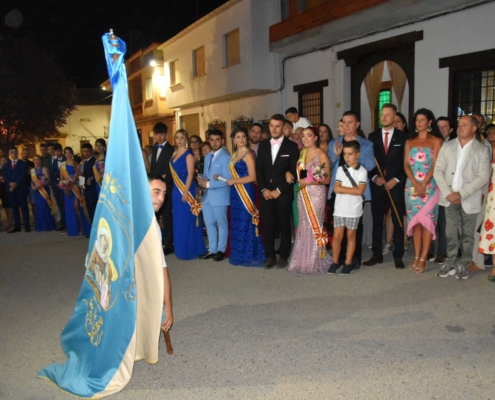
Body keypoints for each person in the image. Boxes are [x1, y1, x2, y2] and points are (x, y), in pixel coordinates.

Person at [434, 115, 490, 280]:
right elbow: (438, 170)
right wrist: (449, 193)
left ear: (474, 128)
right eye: (459, 125)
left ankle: (464, 263)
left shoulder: (482, 149)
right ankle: (450, 262)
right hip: (449, 197)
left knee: (467, 234)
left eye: (464, 125)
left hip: (469, 197)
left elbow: (483, 176)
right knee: (450, 232)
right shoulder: (447, 146)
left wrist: (461, 194)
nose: (460, 127)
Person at [327, 111, 375, 268]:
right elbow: (327, 167)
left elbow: (370, 165)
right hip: (338, 189)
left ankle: (354, 258)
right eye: (344, 122)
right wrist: (335, 156)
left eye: (350, 122)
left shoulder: (366, 144)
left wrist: (356, 152)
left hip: (356, 190)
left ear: (357, 124)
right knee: (337, 226)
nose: (346, 125)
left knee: (355, 226)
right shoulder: (334, 143)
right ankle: (339, 258)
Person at [363, 104, 407, 269]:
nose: (384, 117)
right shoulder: (372, 136)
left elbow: (407, 163)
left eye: (388, 115)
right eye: (382, 114)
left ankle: (398, 255)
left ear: (395, 117)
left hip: (395, 184)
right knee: (376, 220)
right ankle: (376, 254)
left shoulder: (403, 137)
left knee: (397, 220)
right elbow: (369, 161)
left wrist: (396, 178)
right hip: (378, 185)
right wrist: (374, 177)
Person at [256, 114, 299, 269]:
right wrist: (264, 189)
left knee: (284, 225)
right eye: (272, 126)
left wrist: (279, 190)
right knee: (266, 224)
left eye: (278, 126)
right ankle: (270, 255)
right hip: (266, 193)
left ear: (284, 128)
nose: (274, 129)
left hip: (283, 194)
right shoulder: (263, 145)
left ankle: (284, 255)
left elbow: (294, 172)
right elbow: (259, 170)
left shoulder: (292, 147)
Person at [403, 109, 443, 273]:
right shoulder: (410, 141)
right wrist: (415, 182)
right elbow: (406, 165)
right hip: (411, 185)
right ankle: (416, 256)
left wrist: (424, 183)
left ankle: (424, 258)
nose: (419, 123)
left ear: (429, 122)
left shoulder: (436, 141)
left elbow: (435, 165)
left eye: (422, 120)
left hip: (430, 186)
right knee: (416, 223)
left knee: (427, 222)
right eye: (417, 120)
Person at [287, 126, 332, 273]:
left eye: (309, 136)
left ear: (315, 138)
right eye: (303, 136)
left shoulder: (321, 154)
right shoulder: (302, 153)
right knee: (303, 224)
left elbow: (326, 179)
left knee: (315, 225)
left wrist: (310, 182)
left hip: (316, 193)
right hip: (303, 194)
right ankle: (302, 258)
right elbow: (304, 175)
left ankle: (315, 259)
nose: (305, 139)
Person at [226, 127, 265, 266]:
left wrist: (233, 181)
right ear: (233, 139)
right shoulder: (234, 154)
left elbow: (252, 176)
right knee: (236, 221)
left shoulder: (249, 154)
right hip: (235, 192)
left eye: (243, 136)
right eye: (238, 137)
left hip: (246, 191)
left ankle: (248, 253)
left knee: (245, 221)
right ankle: (238, 252)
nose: (241, 139)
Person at [329, 140, 368, 274]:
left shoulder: (362, 171)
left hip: (354, 209)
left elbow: (360, 191)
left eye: (350, 154)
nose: (347, 157)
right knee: (337, 236)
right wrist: (351, 189)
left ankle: (348, 262)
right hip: (339, 208)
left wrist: (342, 189)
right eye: (345, 154)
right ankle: (335, 262)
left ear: (357, 154)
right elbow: (336, 188)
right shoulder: (340, 169)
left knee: (351, 236)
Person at [170, 129, 206, 260]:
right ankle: (180, 248)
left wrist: (185, 192)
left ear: (186, 140)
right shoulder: (174, 154)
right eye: (177, 138)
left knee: (188, 220)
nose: (179, 140)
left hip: (187, 189)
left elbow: (191, 173)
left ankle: (191, 249)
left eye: (182, 138)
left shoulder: (189, 154)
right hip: (176, 190)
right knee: (179, 220)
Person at [197, 129, 232, 262]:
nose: (215, 142)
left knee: (222, 224)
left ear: (222, 141)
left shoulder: (226, 157)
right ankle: (212, 249)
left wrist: (209, 184)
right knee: (209, 223)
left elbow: (227, 179)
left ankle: (221, 250)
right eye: (212, 140)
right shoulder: (207, 156)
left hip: (220, 195)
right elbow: (206, 174)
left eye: (217, 140)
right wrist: (202, 180)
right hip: (207, 196)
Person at [150, 122, 175, 255]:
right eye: (157, 134)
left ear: (166, 134)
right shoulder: (154, 148)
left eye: (162, 134)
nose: (159, 137)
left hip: (167, 187)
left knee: (166, 216)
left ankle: (169, 244)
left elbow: (173, 170)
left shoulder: (171, 150)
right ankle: (160, 240)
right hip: (155, 187)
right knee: (156, 215)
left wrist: (165, 178)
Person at [477, 124, 495, 280]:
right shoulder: (488, 150)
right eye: (488, 132)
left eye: (493, 132)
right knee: (492, 231)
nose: (490, 134)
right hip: (492, 196)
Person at [60, 147, 91, 236]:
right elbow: (61, 178)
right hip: (67, 189)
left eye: (69, 152)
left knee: (77, 208)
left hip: (75, 188)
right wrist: (64, 186)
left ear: (72, 153)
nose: (68, 154)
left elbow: (78, 176)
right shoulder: (62, 165)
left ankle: (83, 227)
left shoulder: (75, 163)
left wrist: (71, 186)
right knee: (70, 209)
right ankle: (74, 228)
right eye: (66, 153)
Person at [3, 147, 30, 233]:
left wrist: (15, 184)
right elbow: (5, 176)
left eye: (15, 152)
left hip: (21, 188)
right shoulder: (7, 165)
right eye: (12, 152)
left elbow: (23, 175)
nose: (13, 153)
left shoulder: (23, 164)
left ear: (18, 153)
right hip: (11, 189)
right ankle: (17, 226)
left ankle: (26, 226)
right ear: (9, 154)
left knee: (24, 207)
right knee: (14, 208)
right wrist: (10, 183)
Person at [31, 155, 56, 231]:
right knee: (38, 208)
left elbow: (48, 180)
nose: (36, 161)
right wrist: (33, 187)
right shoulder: (32, 170)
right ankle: (41, 225)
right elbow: (31, 181)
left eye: (38, 160)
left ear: (41, 161)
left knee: (44, 206)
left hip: (44, 190)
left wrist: (41, 184)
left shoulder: (44, 169)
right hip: (36, 192)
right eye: (34, 160)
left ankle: (48, 225)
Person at [80, 143, 98, 223]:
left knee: (93, 210)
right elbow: (82, 174)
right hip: (86, 189)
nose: (85, 153)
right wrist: (81, 184)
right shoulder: (84, 162)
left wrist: (85, 184)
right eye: (83, 151)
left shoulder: (93, 162)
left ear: (91, 152)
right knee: (89, 210)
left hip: (92, 190)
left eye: (87, 151)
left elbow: (93, 176)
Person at [51, 143, 66, 231]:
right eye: (55, 151)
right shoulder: (55, 160)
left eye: (59, 151)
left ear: (61, 151)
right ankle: (63, 223)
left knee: (66, 205)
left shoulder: (65, 159)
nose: (57, 153)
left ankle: (69, 222)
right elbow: (52, 172)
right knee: (60, 204)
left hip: (65, 184)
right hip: (57, 185)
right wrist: (57, 181)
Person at [0, 156, 14, 231]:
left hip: (9, 189)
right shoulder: (1, 170)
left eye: (4, 160)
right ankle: (9, 222)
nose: (3, 162)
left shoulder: (9, 169)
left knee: (9, 207)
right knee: (5, 207)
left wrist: (3, 179)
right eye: (1, 160)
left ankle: (10, 222)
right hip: (2, 191)